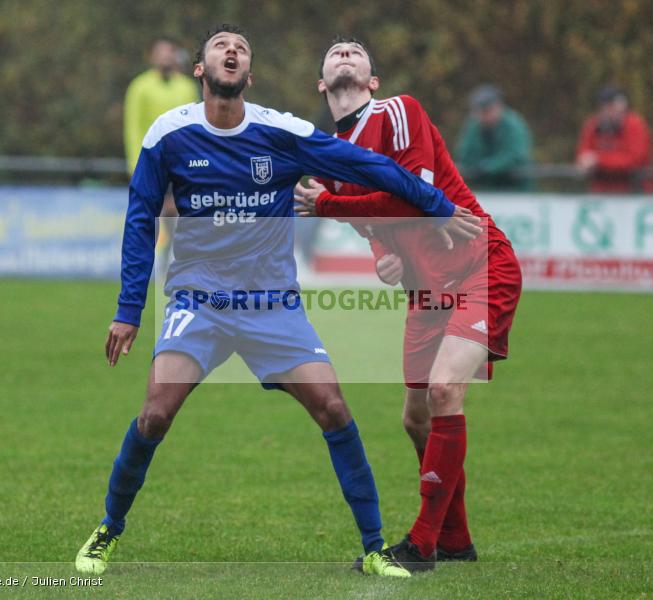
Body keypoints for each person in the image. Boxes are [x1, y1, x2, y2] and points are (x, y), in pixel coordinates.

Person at [75, 24, 482, 578]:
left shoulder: (280, 132)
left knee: (335, 408)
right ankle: (108, 529)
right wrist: (128, 311)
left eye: (241, 47)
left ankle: (374, 546)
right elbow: (140, 219)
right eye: (221, 45)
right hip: (199, 301)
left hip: (272, 304)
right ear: (202, 69)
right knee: (154, 414)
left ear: (249, 73)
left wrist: (433, 203)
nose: (232, 50)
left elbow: (369, 167)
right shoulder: (167, 135)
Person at [294, 37, 522, 572]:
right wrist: (383, 255)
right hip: (426, 288)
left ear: (373, 81)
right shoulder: (329, 161)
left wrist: (326, 205)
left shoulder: (400, 110)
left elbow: (411, 195)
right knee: (416, 419)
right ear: (322, 84)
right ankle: (457, 540)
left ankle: (421, 544)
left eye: (356, 50)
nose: (345, 51)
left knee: (445, 390)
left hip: (479, 265)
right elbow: (375, 225)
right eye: (335, 52)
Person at [124, 36, 200, 175]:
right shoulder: (139, 87)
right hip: (150, 160)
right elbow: (133, 127)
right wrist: (135, 163)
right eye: (160, 52)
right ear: (152, 56)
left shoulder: (187, 87)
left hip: (182, 162)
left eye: (169, 52)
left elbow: (195, 126)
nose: (165, 56)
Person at [454, 84, 533, 191]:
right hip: (484, 189)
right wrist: (475, 167)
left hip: (515, 189)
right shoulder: (473, 125)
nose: (483, 116)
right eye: (479, 112)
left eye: (487, 111)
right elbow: (465, 153)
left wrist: (487, 168)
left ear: (498, 107)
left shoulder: (513, 124)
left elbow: (515, 156)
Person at [576, 85, 653, 193]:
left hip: (633, 193)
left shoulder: (635, 125)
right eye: (608, 107)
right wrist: (585, 163)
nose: (613, 111)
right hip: (601, 193)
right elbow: (584, 156)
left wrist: (599, 160)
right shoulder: (593, 125)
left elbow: (634, 160)